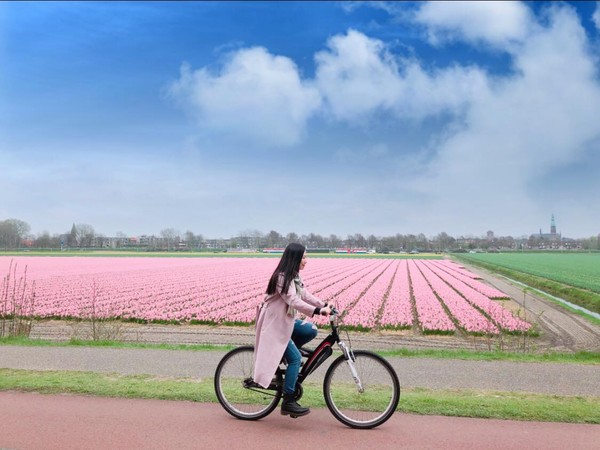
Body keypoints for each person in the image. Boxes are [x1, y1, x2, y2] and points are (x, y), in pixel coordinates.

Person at [253, 243, 332, 417]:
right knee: (296, 358)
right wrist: (317, 311)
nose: (306, 260)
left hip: (285, 322)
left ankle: (285, 354)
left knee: (311, 330)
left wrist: (323, 304)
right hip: (274, 326)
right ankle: (288, 401)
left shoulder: (294, 277)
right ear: (295, 258)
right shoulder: (281, 278)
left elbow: (304, 294)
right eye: (304, 257)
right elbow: (293, 301)